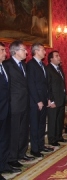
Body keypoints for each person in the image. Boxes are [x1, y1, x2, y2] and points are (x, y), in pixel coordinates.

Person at [4, 41, 35, 169]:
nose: (26, 52)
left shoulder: (24, 65)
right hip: (14, 105)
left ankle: (21, 153)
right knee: (14, 132)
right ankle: (12, 158)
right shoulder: (7, 65)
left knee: (23, 131)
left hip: (25, 103)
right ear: (15, 51)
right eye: (23, 50)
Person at [27, 43, 53, 158]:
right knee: (35, 125)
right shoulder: (31, 65)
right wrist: (38, 101)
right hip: (35, 101)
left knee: (42, 124)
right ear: (36, 51)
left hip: (43, 99)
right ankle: (34, 149)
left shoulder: (42, 64)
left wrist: (47, 99)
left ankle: (41, 145)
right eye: (43, 50)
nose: (45, 52)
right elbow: (31, 84)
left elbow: (45, 84)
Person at [0, 42, 21, 180]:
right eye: (2, 50)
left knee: (4, 140)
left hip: (6, 110)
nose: (5, 52)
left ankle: (3, 165)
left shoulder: (3, 67)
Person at [46, 50, 67, 147]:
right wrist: (51, 100)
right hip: (54, 99)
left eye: (59, 55)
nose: (59, 57)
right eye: (56, 56)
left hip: (61, 98)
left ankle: (59, 136)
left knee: (60, 119)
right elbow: (48, 86)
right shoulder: (48, 69)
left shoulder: (59, 68)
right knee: (53, 120)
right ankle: (52, 139)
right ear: (51, 59)